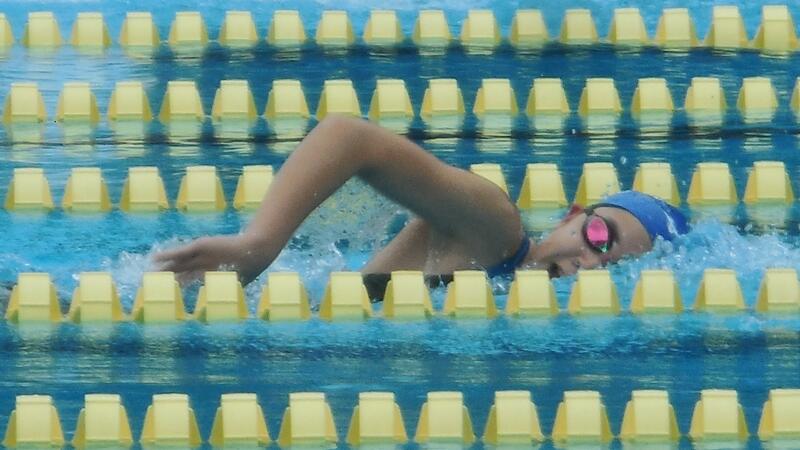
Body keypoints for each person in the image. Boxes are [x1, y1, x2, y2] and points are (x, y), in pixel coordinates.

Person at [154, 116, 689, 299]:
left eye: (614, 267)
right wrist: (259, 244)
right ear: (573, 214)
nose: (591, 262)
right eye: (600, 237)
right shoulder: (494, 231)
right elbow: (349, 137)